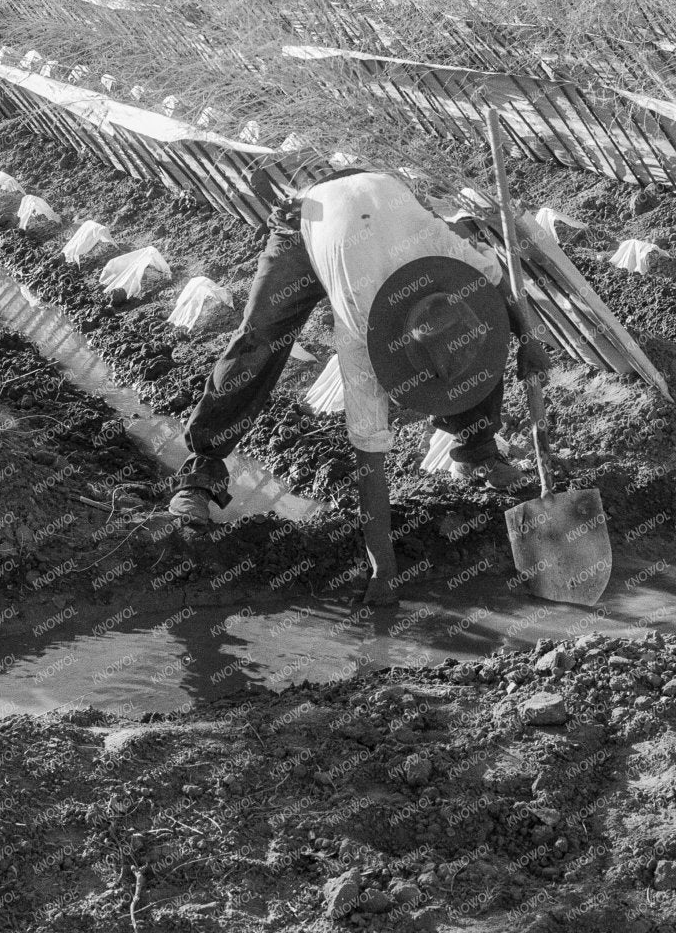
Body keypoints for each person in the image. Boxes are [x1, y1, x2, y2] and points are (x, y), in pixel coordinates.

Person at [167, 165, 551, 605]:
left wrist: (526, 340)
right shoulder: (361, 330)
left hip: (382, 209)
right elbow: (369, 462)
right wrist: (382, 569)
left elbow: (497, 280)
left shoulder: (446, 258)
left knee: (472, 342)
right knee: (259, 338)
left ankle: (477, 449)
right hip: (303, 224)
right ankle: (198, 475)